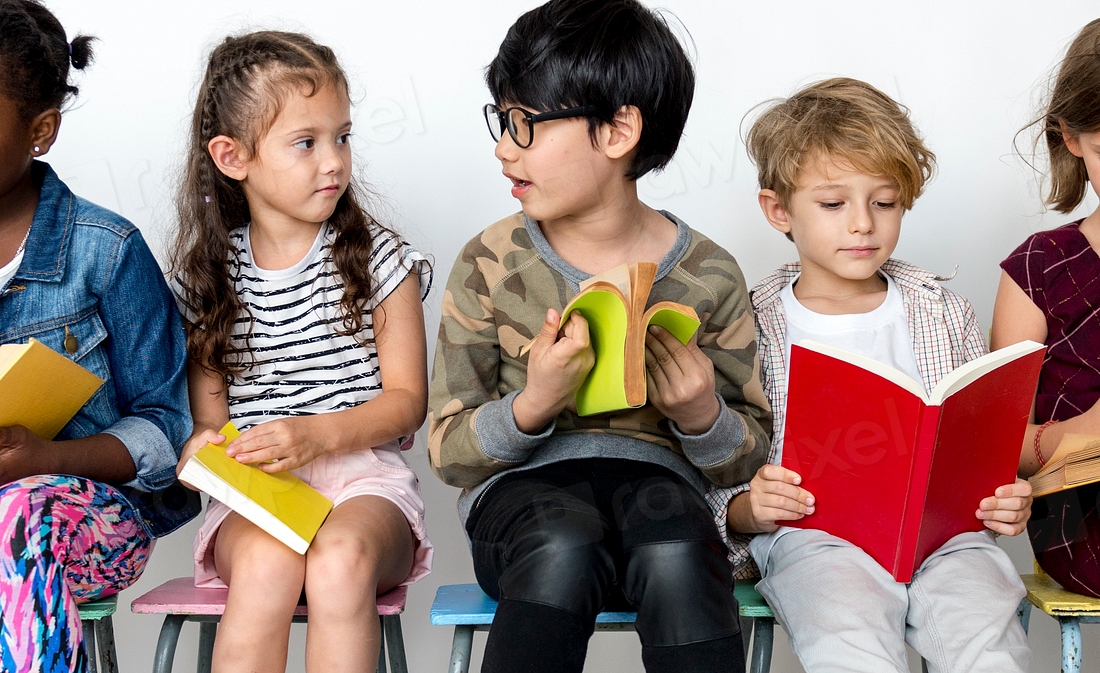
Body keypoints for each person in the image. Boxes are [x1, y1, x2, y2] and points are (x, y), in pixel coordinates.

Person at [427, 1, 772, 671]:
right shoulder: (488, 261)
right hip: (526, 507)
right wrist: (535, 402)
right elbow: (448, 450)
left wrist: (703, 416)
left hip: (659, 492)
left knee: (677, 546)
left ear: (618, 131)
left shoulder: (709, 273)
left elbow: (748, 456)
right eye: (503, 122)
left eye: (525, 125)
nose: (503, 147)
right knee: (563, 542)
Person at [706, 78, 1033, 673]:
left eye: (883, 203)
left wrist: (1004, 500)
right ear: (778, 209)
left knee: (987, 639)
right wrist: (746, 509)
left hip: (946, 539)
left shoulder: (943, 311)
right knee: (848, 642)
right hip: (816, 537)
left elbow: (981, 452)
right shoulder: (747, 328)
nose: (863, 225)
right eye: (833, 205)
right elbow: (707, 461)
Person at [170, 30, 433, 673]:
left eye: (342, 136)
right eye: (307, 143)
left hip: (365, 486)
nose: (335, 161)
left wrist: (316, 437)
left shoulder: (378, 259)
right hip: (261, 494)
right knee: (267, 562)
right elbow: (210, 421)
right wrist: (202, 445)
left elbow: (406, 404)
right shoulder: (211, 277)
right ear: (233, 157)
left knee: (338, 563)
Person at [0, 2, 198, 672]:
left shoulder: (105, 251)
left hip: (91, 520)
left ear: (41, 130)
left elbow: (169, 432)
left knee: (17, 514)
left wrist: (45, 457)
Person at [992, 18, 1100, 598]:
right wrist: (1086, 432)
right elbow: (999, 442)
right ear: (1071, 137)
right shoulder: (1039, 267)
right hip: (1082, 515)